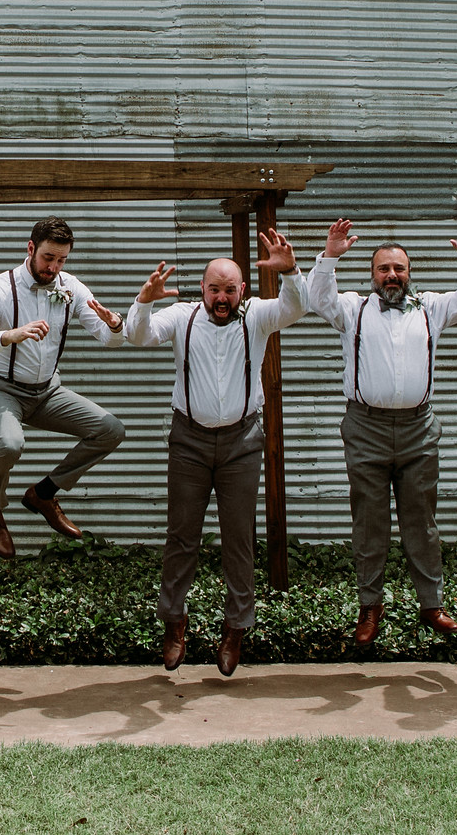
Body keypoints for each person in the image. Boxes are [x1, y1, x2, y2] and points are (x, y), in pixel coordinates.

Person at [123, 232, 303, 677]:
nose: (221, 298)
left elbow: (295, 309)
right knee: (182, 536)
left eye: (229, 290)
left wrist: (291, 273)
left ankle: (236, 628)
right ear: (202, 290)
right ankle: (174, 622)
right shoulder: (181, 317)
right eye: (214, 289)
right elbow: (137, 336)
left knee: (238, 538)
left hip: (243, 442)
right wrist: (144, 301)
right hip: (189, 440)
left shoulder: (257, 315)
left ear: (242, 290)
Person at [307, 219, 457, 647]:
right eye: (384, 269)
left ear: (410, 273)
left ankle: (431, 604)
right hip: (365, 427)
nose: (392, 276)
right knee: (369, 523)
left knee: (421, 521)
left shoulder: (431, 307)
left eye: (399, 269)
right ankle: (370, 605)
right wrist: (330, 255)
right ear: (372, 275)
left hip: (418, 429)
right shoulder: (351, 309)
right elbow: (318, 298)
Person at [0, 216, 128, 557]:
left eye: (62, 260)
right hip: (0, 388)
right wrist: (9, 335)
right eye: (48, 258)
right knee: (8, 444)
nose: (54, 267)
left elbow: (108, 340)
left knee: (111, 429)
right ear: (31, 248)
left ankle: (44, 493)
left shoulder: (70, 287)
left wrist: (116, 325)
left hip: (48, 392)